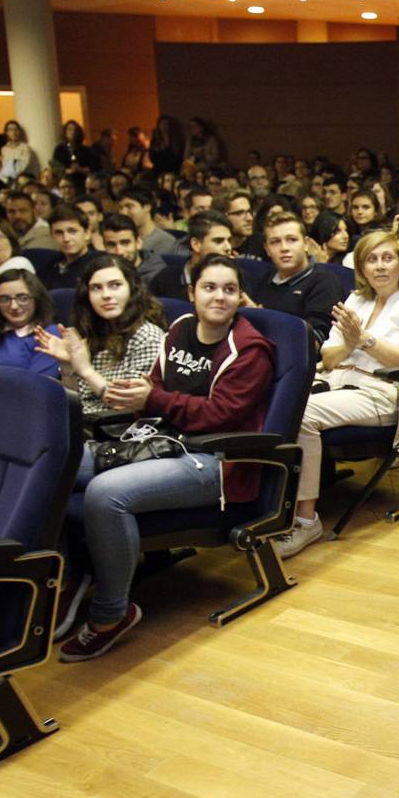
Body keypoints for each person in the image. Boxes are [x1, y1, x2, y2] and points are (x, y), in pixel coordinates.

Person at [57, 255, 274, 661]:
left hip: (215, 461)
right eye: (209, 287)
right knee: (56, 465)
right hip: (159, 440)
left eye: (229, 289)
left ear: (239, 297)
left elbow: (220, 415)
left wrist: (152, 398)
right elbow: (157, 386)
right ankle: (66, 578)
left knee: (105, 494)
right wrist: (141, 395)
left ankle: (112, 613)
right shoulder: (179, 329)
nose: (219, 297)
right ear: (191, 294)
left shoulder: (249, 349)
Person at [280, 230, 399, 558]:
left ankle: (306, 522)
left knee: (301, 415)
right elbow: (328, 357)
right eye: (371, 259)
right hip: (337, 381)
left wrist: (363, 340)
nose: (379, 266)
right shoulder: (356, 300)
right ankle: (273, 509)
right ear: (361, 268)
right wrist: (350, 343)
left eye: (387, 258)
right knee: (274, 403)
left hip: (382, 390)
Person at [34, 255, 167, 417]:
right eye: (96, 288)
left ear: (133, 289)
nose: (106, 295)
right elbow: (75, 399)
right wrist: (68, 366)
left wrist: (86, 370)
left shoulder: (148, 336)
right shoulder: (91, 330)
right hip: (81, 423)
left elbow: (129, 407)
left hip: (116, 431)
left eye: (115, 285)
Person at [245, 211, 341, 345]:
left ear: (306, 244)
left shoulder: (323, 281)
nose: (284, 248)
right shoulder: (262, 280)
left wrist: (261, 320)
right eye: (275, 242)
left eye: (292, 240)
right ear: (267, 249)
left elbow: (314, 343)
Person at [149, 210, 234, 301]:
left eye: (229, 240)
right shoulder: (165, 280)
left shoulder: (236, 278)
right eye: (219, 241)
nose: (228, 247)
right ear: (196, 244)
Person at [0, 268, 60, 377]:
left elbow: (35, 385)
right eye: (4, 299)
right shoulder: (0, 330)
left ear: (37, 299)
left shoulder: (47, 335)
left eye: (23, 298)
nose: (14, 306)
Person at [40, 205, 97, 292]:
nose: (66, 239)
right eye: (59, 233)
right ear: (52, 236)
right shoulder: (48, 267)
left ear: (87, 234)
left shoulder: (98, 264)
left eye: (72, 231)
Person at [100, 213, 167, 287]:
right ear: (104, 246)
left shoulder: (158, 275)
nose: (119, 252)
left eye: (125, 243)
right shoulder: (98, 273)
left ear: (138, 243)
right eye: (111, 245)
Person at [118, 185, 184, 255]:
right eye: (120, 208)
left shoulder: (165, 241)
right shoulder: (116, 239)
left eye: (129, 206)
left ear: (147, 206)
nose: (123, 212)